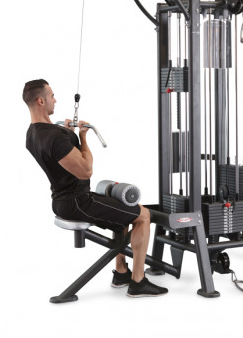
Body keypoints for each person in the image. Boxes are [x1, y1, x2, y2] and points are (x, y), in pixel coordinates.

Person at [23, 79, 167, 298]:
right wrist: (82, 137)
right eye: (51, 96)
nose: (55, 100)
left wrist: (66, 134)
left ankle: (121, 272)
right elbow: (86, 170)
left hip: (62, 201)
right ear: (41, 101)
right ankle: (138, 282)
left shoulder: (33, 134)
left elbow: (57, 155)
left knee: (122, 211)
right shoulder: (54, 137)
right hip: (78, 202)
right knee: (143, 215)